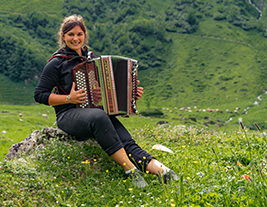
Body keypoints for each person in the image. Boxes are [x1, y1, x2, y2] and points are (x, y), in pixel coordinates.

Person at [34, 14, 178, 188]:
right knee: (99, 117)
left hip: (96, 113)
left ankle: (164, 172)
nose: (75, 38)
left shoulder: (92, 59)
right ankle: (131, 171)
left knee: (125, 139)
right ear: (63, 37)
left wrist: (130, 95)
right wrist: (68, 98)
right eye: (70, 34)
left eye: (79, 34)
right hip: (68, 115)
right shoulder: (56, 63)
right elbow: (40, 94)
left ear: (84, 35)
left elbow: (105, 93)